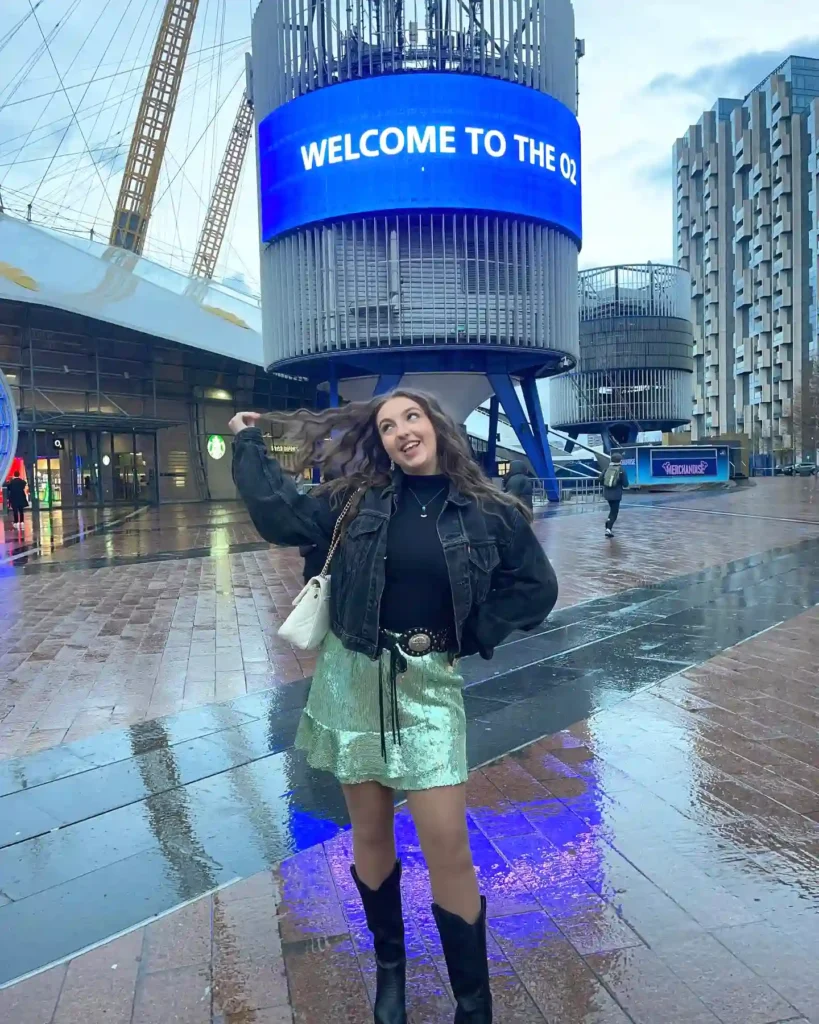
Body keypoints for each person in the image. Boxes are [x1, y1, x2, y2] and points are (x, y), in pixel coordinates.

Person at [230, 390, 558, 1024]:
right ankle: (391, 973)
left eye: (412, 418)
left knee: (447, 844)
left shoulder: (489, 511)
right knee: (372, 833)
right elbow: (279, 517)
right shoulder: (356, 502)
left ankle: (473, 1003)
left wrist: (473, 635)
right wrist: (247, 444)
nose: (402, 432)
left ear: (437, 424)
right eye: (387, 426)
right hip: (353, 676)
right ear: (379, 442)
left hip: (430, 687)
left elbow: (536, 586)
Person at [600, 451, 628, 537]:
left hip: (607, 494)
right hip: (616, 495)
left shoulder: (607, 468)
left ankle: (608, 523)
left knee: (612, 510)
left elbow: (600, 479)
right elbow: (625, 484)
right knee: (614, 512)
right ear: (620, 460)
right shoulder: (621, 470)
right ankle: (608, 529)